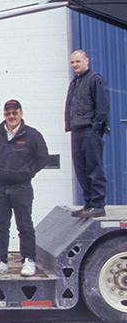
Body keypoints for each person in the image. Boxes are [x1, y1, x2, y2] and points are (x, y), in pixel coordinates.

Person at [0, 100, 50, 277]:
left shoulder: (32, 135)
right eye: (8, 113)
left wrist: (27, 172)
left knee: (25, 224)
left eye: (15, 113)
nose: (11, 116)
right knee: (0, 225)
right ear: (4, 114)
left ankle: (28, 260)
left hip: (22, 187)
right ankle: (0, 261)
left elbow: (43, 158)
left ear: (21, 113)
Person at [65, 49, 110, 218]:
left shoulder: (95, 79)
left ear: (86, 61)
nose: (75, 64)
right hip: (77, 131)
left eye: (78, 61)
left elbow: (103, 105)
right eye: (72, 62)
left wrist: (96, 128)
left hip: (90, 130)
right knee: (81, 169)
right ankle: (89, 204)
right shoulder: (75, 82)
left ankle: (98, 204)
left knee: (94, 168)